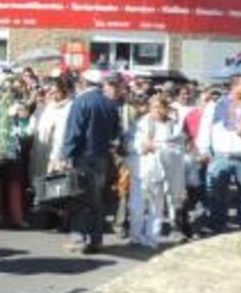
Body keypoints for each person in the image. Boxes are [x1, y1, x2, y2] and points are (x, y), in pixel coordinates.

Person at [57, 71, 122, 253]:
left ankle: (78, 237)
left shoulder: (81, 101)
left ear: (84, 82)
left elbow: (74, 132)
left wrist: (64, 155)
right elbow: (115, 133)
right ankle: (96, 239)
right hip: (102, 156)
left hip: (83, 156)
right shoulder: (110, 103)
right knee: (96, 198)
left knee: (80, 197)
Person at [196, 74, 241, 231]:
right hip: (221, 156)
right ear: (233, 86)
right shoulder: (216, 105)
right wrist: (204, 150)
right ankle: (217, 224)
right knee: (217, 193)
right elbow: (205, 129)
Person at [128, 95, 185, 248]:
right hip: (141, 170)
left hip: (160, 172)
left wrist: (159, 147)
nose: (158, 111)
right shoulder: (140, 123)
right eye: (154, 107)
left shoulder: (174, 127)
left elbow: (178, 149)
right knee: (136, 207)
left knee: (156, 208)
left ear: (167, 109)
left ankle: (152, 237)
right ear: (149, 107)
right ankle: (135, 235)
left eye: (161, 107)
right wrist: (142, 146)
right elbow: (129, 144)